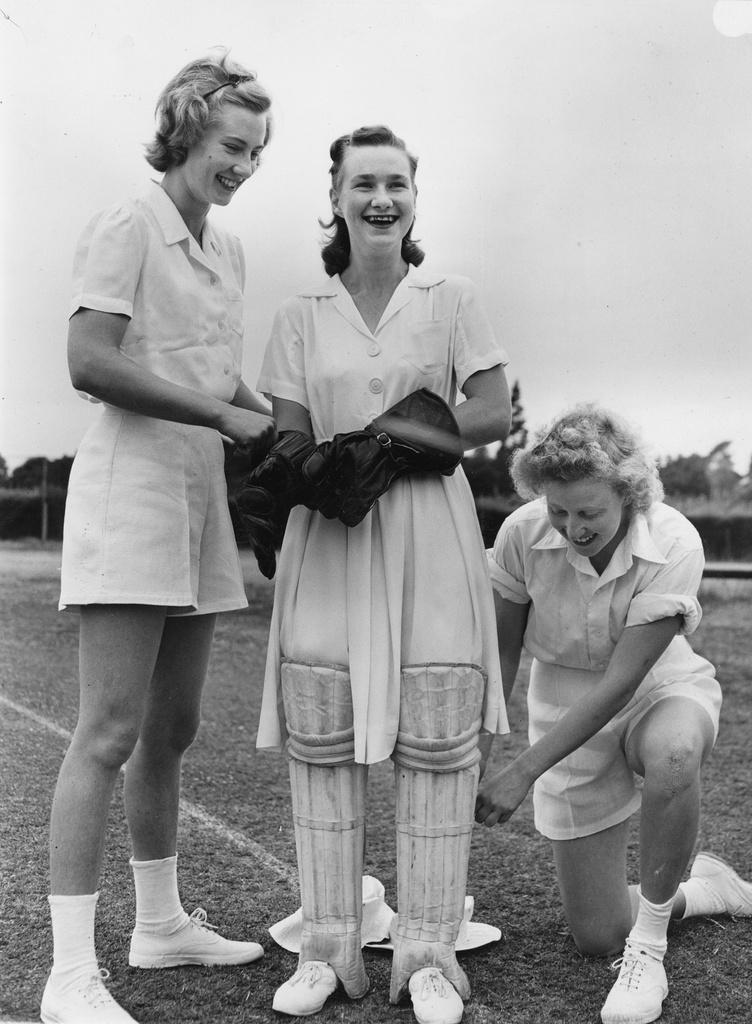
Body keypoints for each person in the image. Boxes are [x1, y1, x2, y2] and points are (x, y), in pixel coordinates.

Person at [246, 125, 511, 1024]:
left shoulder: (450, 297)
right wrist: (300, 472)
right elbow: (285, 431)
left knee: (436, 735)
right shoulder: (298, 313)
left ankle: (428, 954)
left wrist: (389, 443)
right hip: (332, 533)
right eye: (363, 183)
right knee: (322, 729)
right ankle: (325, 947)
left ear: (413, 196)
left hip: (427, 530)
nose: (380, 199)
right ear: (336, 198)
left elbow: (490, 407)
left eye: (395, 182)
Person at [42, 52, 276, 1024]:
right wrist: (225, 422)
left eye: (257, 151)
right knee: (107, 730)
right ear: (184, 129)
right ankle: (68, 975)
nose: (243, 165)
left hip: (197, 503)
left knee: (171, 730)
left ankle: (160, 923)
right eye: (231, 145)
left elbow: (227, 388)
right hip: (130, 491)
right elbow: (88, 362)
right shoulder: (125, 222)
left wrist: (305, 438)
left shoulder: (226, 252)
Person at [474, 405, 752, 1024]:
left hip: (657, 683)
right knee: (596, 934)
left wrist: (521, 771)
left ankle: (649, 949)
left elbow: (622, 682)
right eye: (557, 510)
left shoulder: (674, 540)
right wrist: (478, 750)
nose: (570, 527)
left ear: (629, 493)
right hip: (558, 692)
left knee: (673, 756)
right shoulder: (520, 533)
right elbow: (502, 650)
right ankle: (705, 889)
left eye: (589, 512)